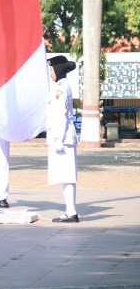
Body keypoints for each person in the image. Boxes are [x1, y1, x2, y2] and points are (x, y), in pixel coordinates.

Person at [47, 55, 79, 223]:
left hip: (63, 136)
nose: (50, 73)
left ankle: (71, 212)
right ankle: (70, 211)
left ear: (58, 70)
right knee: (66, 175)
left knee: (67, 175)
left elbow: (60, 114)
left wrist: (57, 138)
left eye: (51, 70)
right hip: (64, 135)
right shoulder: (61, 86)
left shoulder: (61, 87)